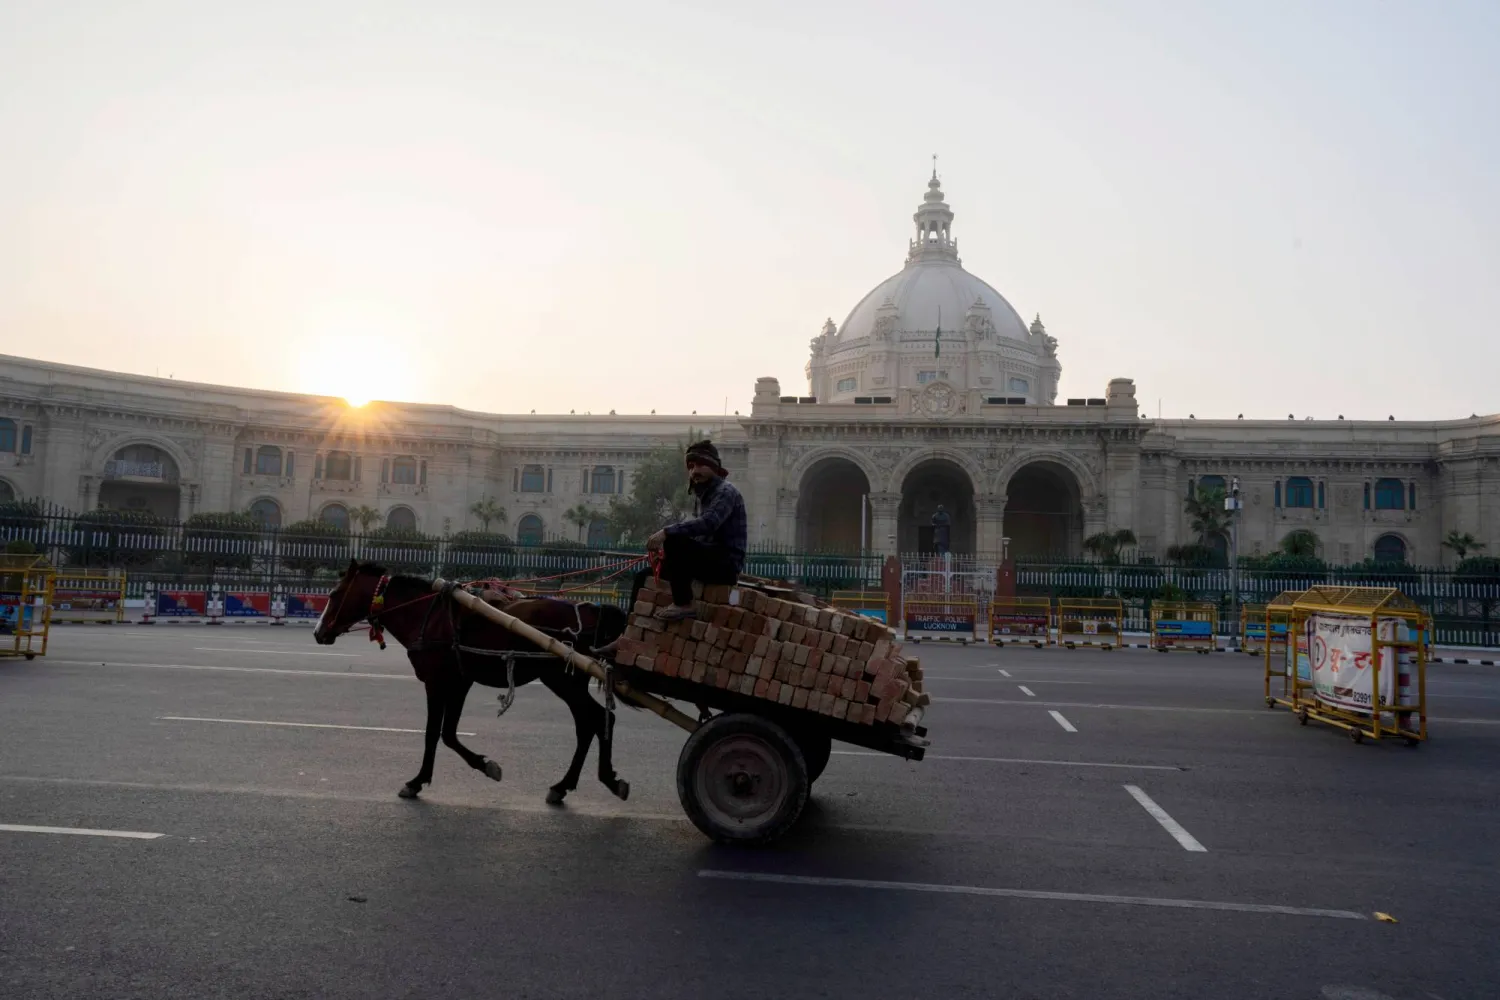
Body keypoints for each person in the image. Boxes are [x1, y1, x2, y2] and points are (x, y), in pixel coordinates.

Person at [641, 439, 747, 620]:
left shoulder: (726, 492)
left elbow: (709, 523)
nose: (694, 471)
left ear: (714, 467)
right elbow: (700, 539)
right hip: (710, 560)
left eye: (700, 465)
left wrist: (665, 532)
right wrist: (668, 556)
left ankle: (683, 604)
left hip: (726, 565)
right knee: (643, 575)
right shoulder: (704, 496)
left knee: (674, 540)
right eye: (691, 467)